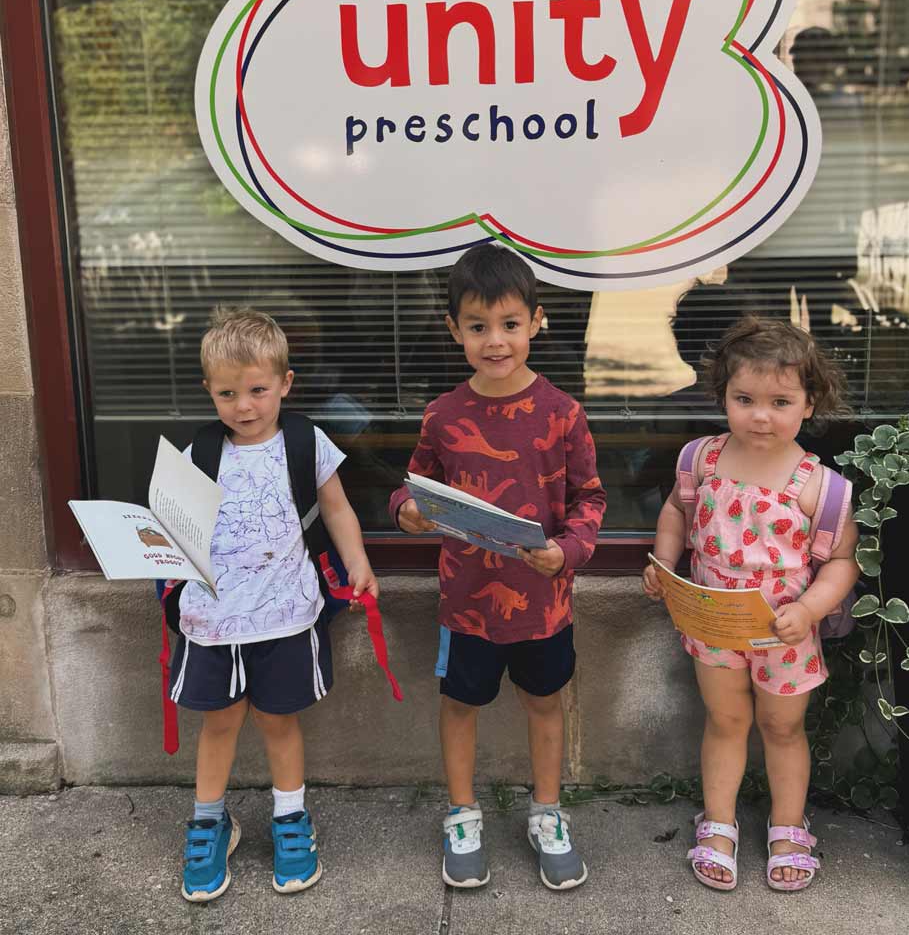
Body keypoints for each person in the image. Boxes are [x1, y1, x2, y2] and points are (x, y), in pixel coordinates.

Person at [390, 244, 606, 891]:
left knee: (545, 705)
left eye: (510, 324)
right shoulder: (443, 416)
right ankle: (462, 814)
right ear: (454, 329)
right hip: (466, 605)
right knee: (460, 705)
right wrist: (407, 513)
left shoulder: (564, 414)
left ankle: (547, 812)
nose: (495, 341)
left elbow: (590, 500)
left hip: (544, 601)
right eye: (478, 326)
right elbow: (410, 487)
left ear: (536, 322)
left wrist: (566, 553)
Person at [642, 316, 858, 892]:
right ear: (724, 397)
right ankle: (717, 823)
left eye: (780, 401)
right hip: (713, 623)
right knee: (726, 719)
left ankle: (789, 827)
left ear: (809, 405)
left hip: (785, 633)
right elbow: (674, 512)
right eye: (745, 399)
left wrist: (810, 610)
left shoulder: (820, 485)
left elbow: (842, 561)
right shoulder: (702, 461)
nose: (761, 415)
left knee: (783, 729)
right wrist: (663, 564)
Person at [169, 306, 378, 902]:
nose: (244, 406)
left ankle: (291, 819)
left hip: (286, 614)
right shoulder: (200, 452)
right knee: (220, 722)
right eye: (228, 393)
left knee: (279, 721)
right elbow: (173, 526)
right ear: (209, 391)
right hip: (212, 621)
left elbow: (336, 508)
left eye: (258, 390)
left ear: (284, 384)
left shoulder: (306, 442)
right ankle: (210, 822)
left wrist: (358, 562)